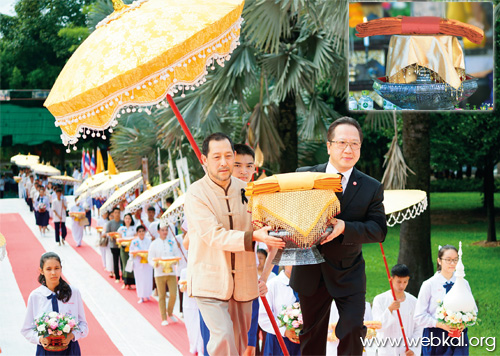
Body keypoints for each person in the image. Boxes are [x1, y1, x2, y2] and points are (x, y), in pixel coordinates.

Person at [288, 117, 387, 356]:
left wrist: (345, 227)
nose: (348, 149)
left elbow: (378, 230)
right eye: (342, 142)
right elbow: (288, 215)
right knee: (311, 336)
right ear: (329, 146)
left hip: (348, 272)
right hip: (310, 269)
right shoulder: (304, 177)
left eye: (355, 144)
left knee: (353, 330)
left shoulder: (371, 186)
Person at [184, 132, 285, 356]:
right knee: (223, 338)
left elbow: (272, 236)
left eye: (228, 156)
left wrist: (265, 276)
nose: (223, 162)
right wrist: (254, 237)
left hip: (244, 282)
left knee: (240, 345)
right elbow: (214, 235)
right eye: (216, 156)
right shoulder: (195, 193)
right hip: (209, 282)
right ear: (204, 160)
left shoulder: (249, 191)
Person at [21, 252, 88, 354]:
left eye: (56, 268)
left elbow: (83, 325)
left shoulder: (73, 292)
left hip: (70, 350)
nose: (53, 272)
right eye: (48, 269)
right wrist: (40, 339)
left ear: (61, 268)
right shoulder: (35, 296)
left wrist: (71, 335)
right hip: (45, 351)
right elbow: (26, 329)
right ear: (41, 271)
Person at [415, 245, 476, 355]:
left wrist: (463, 323)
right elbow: (419, 316)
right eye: (448, 260)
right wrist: (441, 325)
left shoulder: (464, 283)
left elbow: (473, 310)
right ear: (439, 261)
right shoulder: (429, 284)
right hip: (435, 337)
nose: (452, 263)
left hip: (459, 337)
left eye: (455, 259)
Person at [372, 264, 422, 356]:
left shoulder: (414, 301)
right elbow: (378, 327)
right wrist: (390, 310)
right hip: (386, 350)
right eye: (398, 282)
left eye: (405, 282)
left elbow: (419, 328)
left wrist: (413, 349)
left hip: (406, 351)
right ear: (391, 280)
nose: (402, 285)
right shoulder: (380, 300)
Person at [258, 265, 301, 356]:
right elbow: (263, 318)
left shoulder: (307, 285)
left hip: (301, 342)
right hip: (277, 342)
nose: (294, 263)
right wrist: (285, 331)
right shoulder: (272, 284)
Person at [148, 222, 182, 326]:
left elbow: (176, 255)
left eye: (166, 230)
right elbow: (150, 258)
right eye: (162, 230)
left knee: (173, 294)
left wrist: (175, 261)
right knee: (162, 295)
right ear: (158, 231)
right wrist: (155, 264)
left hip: (171, 272)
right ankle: (163, 317)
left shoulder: (171, 242)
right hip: (159, 273)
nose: (165, 232)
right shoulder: (154, 244)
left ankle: (170, 311)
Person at [129, 225, 153, 303]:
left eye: (143, 231)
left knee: (148, 279)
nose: (141, 233)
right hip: (138, 263)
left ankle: (148, 294)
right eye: (139, 231)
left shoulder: (149, 241)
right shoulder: (134, 241)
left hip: (147, 263)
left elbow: (151, 251)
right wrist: (137, 254)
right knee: (139, 279)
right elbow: (131, 252)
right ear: (137, 233)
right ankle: (141, 296)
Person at [117, 213, 136, 290]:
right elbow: (119, 239)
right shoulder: (121, 229)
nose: (128, 220)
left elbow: (135, 237)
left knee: (130, 264)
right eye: (126, 218)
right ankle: (125, 282)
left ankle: (131, 282)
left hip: (131, 249)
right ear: (124, 220)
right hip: (124, 248)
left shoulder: (133, 228)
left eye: (129, 218)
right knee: (125, 264)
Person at [106, 207, 123, 283]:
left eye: (118, 213)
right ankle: (117, 276)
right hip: (114, 244)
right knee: (115, 260)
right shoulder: (110, 223)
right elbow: (107, 233)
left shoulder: (122, 222)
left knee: (122, 261)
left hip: (122, 244)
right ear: (113, 213)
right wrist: (112, 235)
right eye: (115, 213)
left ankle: (124, 276)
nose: (117, 214)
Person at [97, 211, 114, 278]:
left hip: (115, 242)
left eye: (113, 216)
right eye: (111, 216)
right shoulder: (107, 224)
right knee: (109, 256)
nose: (112, 217)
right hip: (109, 242)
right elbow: (103, 233)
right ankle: (110, 270)